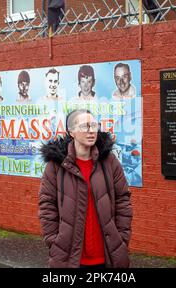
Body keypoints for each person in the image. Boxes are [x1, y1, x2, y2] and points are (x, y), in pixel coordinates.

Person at [38, 109, 133, 268]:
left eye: (94, 125)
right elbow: (47, 205)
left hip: (108, 254)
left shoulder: (109, 162)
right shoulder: (56, 166)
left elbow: (123, 200)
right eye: (84, 126)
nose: (91, 130)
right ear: (72, 132)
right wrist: (54, 241)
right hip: (69, 255)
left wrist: (122, 238)